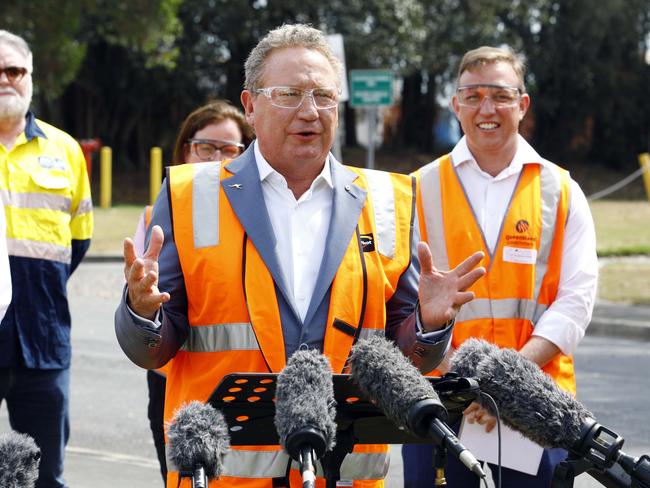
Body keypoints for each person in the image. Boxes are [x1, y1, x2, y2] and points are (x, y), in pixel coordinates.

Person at [115, 24, 485, 488]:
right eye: (289, 93)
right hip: (227, 474)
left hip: (344, 471)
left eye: (323, 96)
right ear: (250, 105)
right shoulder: (191, 196)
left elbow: (409, 358)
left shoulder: (388, 199)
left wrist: (429, 325)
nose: (309, 111)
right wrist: (142, 312)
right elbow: (152, 350)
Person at [404, 45, 598, 488]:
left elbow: (576, 301)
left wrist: (504, 384)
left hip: (537, 405)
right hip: (439, 406)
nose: (485, 108)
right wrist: (467, 389)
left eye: (500, 95)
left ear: (522, 104)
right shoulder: (414, 190)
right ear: (455, 105)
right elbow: (398, 299)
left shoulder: (561, 190)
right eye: (472, 96)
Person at [132, 99, 253, 485]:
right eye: (206, 146)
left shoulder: (258, 219)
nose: (216, 157)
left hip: (240, 381)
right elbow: (141, 301)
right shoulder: (157, 216)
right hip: (174, 381)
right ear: (185, 150)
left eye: (229, 149)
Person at [0, 30, 93, 488]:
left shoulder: (66, 151)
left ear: (30, 78)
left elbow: (78, 242)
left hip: (43, 339)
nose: (4, 80)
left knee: (43, 475)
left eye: (13, 70)